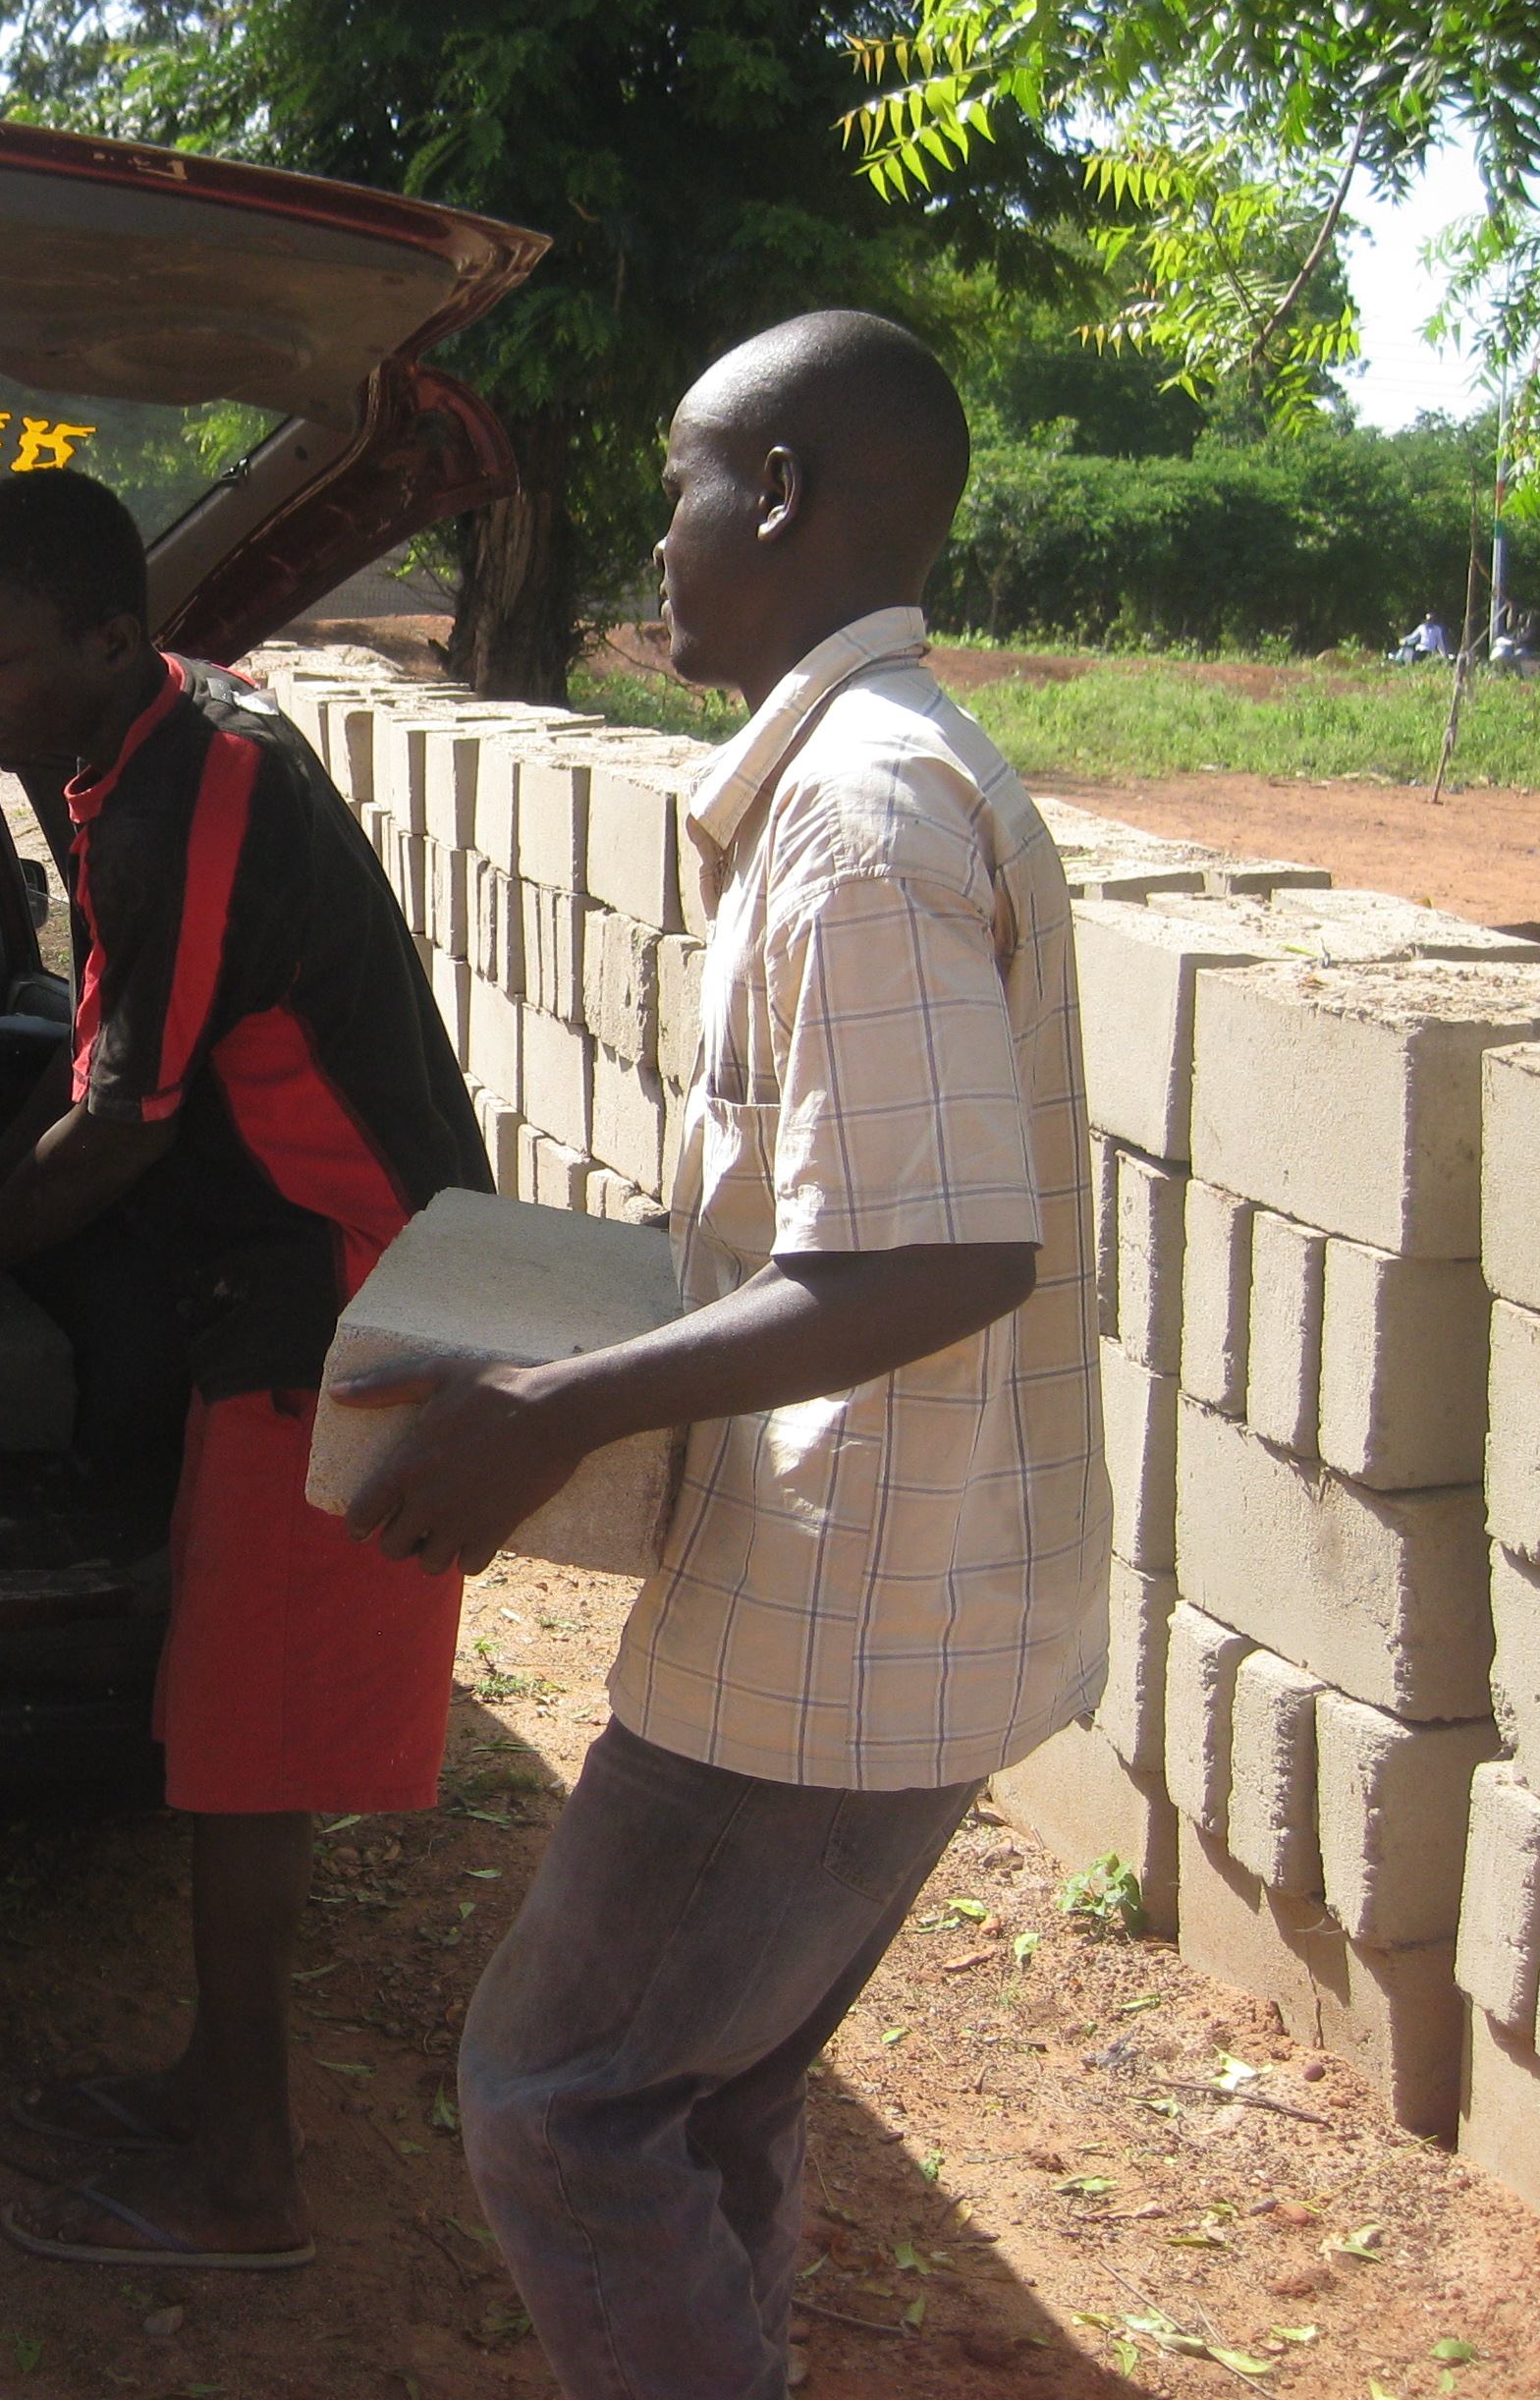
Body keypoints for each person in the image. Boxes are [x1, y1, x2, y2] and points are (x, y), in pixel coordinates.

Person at [334, 311, 1105, 2399]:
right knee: (709, 2099)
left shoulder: (861, 819)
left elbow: (938, 1261)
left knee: (560, 2102)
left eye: (679, 486)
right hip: (902, 1618)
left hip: (825, 1656)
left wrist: (549, 1412)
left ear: (774, 498)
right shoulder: (881, 776)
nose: (654, 537)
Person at [0, 468, 492, 2271]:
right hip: (263, 1275)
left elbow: (123, 1117)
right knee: (227, 1723)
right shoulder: (122, 749)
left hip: (344, 1294)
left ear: (110, 642)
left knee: (241, 1745)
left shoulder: (189, 791)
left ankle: (244, 2180)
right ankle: (209, 2080)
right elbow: (90, 1076)